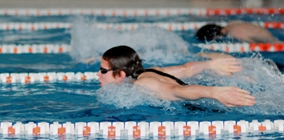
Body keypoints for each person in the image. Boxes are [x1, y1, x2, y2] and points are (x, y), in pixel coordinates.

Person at [98, 45, 256, 107]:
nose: (98, 74)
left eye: (103, 70)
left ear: (120, 74)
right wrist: (210, 65)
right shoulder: (148, 72)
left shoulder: (144, 84)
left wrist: (213, 92)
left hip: (205, 111)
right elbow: (186, 70)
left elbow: (176, 90)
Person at [195, 21, 281, 43]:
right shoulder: (232, 23)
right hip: (271, 36)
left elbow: (253, 45)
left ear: (214, 37)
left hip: (273, 43)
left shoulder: (235, 33)